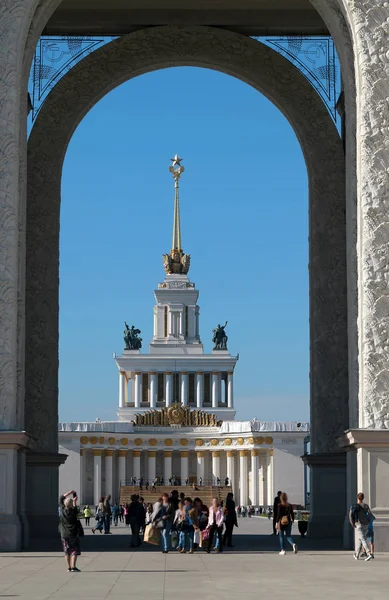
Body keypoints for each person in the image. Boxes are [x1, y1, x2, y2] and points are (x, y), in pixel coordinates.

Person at [59, 489, 81, 572]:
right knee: (74, 550)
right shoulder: (74, 511)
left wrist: (69, 493)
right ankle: (73, 566)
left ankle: (68, 567)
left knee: (66, 551)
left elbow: (61, 498)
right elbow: (75, 508)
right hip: (73, 533)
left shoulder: (62, 510)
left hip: (64, 534)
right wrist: (75, 501)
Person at [349, 492, 374, 561]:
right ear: (363, 498)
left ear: (357, 498)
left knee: (362, 539)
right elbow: (370, 514)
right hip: (366, 524)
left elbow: (350, 516)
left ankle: (369, 553)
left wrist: (353, 524)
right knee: (361, 539)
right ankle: (356, 555)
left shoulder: (354, 506)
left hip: (359, 524)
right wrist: (368, 521)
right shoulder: (366, 506)